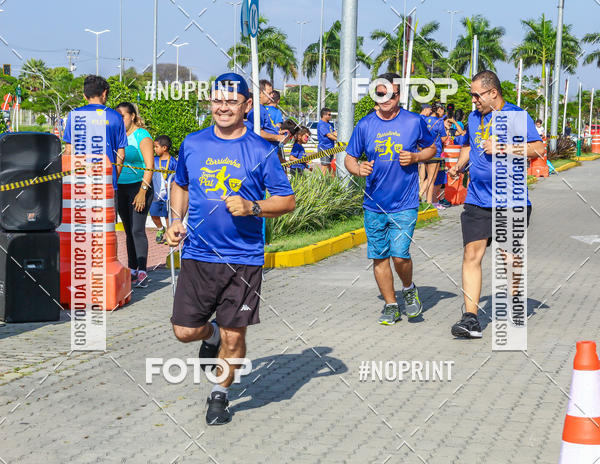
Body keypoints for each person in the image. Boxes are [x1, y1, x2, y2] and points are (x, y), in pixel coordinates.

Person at [165, 72, 295, 425]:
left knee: (235, 335)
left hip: (243, 259)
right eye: (217, 100)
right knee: (184, 331)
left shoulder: (261, 149)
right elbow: (181, 184)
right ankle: (211, 334)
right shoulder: (193, 143)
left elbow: (287, 200)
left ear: (247, 105)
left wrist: (253, 207)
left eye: (231, 102)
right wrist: (175, 220)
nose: (223, 107)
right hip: (198, 254)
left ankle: (219, 394)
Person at [447, 70, 544, 339]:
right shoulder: (473, 117)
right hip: (477, 198)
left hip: (510, 200)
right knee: (471, 254)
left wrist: (503, 147)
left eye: (477, 95)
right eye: (472, 95)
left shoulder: (516, 115)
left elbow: (538, 149)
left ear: (493, 93)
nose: (473, 100)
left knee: (507, 257)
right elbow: (469, 146)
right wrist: (459, 166)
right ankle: (470, 319)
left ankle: (514, 306)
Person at [344, 72, 436, 326]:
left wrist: (416, 157)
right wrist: (357, 168)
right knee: (380, 256)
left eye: (390, 95)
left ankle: (408, 288)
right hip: (374, 204)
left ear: (399, 95)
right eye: (380, 94)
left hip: (404, 203)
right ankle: (391, 305)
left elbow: (431, 148)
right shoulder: (365, 125)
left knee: (400, 254)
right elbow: (350, 157)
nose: (385, 99)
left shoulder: (414, 121)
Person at [63, 75, 128, 213]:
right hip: (107, 182)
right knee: (106, 223)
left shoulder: (74, 115)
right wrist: (113, 177)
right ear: (104, 93)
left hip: (80, 183)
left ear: (84, 95)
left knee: (82, 222)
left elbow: (68, 151)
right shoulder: (116, 117)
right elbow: (121, 154)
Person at [115, 102, 155, 288]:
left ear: (132, 116)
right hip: (120, 188)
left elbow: (150, 165)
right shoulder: (117, 135)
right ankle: (132, 269)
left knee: (137, 230)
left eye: (122, 116)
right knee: (128, 230)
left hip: (139, 187)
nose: (119, 120)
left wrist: (142, 191)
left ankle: (142, 272)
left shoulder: (142, 135)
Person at [246, 79, 288, 164]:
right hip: (263, 157)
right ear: (259, 93)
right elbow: (257, 133)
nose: (272, 96)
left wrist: (278, 133)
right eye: (269, 93)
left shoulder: (262, 109)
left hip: (270, 154)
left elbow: (266, 129)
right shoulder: (257, 111)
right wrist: (278, 137)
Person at [150, 135, 178, 244]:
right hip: (156, 194)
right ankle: (160, 228)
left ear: (164, 148)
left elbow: (177, 178)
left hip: (168, 195)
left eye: (156, 147)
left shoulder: (173, 162)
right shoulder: (154, 160)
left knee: (167, 215)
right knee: (153, 214)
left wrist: (171, 184)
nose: (154, 149)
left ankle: (169, 235)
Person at [421, 102, 449, 209]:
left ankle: (421, 196)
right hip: (435, 152)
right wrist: (447, 130)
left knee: (427, 177)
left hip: (425, 151)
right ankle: (428, 203)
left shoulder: (424, 119)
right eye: (442, 111)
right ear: (439, 110)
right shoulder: (439, 121)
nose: (443, 113)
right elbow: (443, 138)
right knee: (432, 179)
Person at [317, 107, 337, 174]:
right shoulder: (321, 124)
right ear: (324, 115)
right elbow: (329, 135)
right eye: (329, 114)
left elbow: (334, 132)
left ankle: (332, 180)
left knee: (331, 166)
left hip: (330, 148)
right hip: (324, 148)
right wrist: (338, 139)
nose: (330, 116)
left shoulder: (329, 124)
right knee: (324, 166)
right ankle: (323, 180)